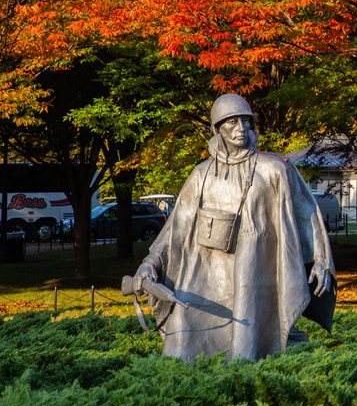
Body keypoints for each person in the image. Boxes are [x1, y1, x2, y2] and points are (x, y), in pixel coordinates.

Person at [131, 93, 336, 361]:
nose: (241, 128)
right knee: (183, 345)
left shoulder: (274, 169)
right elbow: (176, 227)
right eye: (232, 122)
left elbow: (305, 213)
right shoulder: (201, 175)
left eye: (245, 121)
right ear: (218, 129)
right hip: (205, 277)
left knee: (250, 346)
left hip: (255, 274)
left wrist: (320, 259)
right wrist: (151, 261)